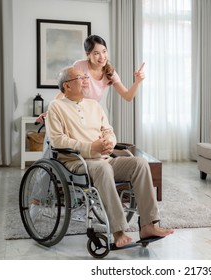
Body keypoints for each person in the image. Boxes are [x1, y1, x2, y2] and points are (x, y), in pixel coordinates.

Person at [46, 66, 174, 248]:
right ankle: (118, 230)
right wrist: (91, 147)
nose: (86, 80)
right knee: (103, 168)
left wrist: (109, 143)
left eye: (85, 77)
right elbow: (58, 141)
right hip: (76, 163)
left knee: (139, 163)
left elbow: (108, 131)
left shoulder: (94, 105)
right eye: (80, 78)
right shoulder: (56, 107)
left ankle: (148, 225)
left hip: (102, 159)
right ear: (67, 86)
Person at [36, 34, 144, 123]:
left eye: (104, 51)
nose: (102, 57)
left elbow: (128, 96)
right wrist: (50, 111)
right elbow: (64, 91)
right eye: (96, 53)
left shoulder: (110, 72)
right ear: (88, 55)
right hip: (73, 110)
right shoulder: (80, 66)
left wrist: (138, 82)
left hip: (91, 113)